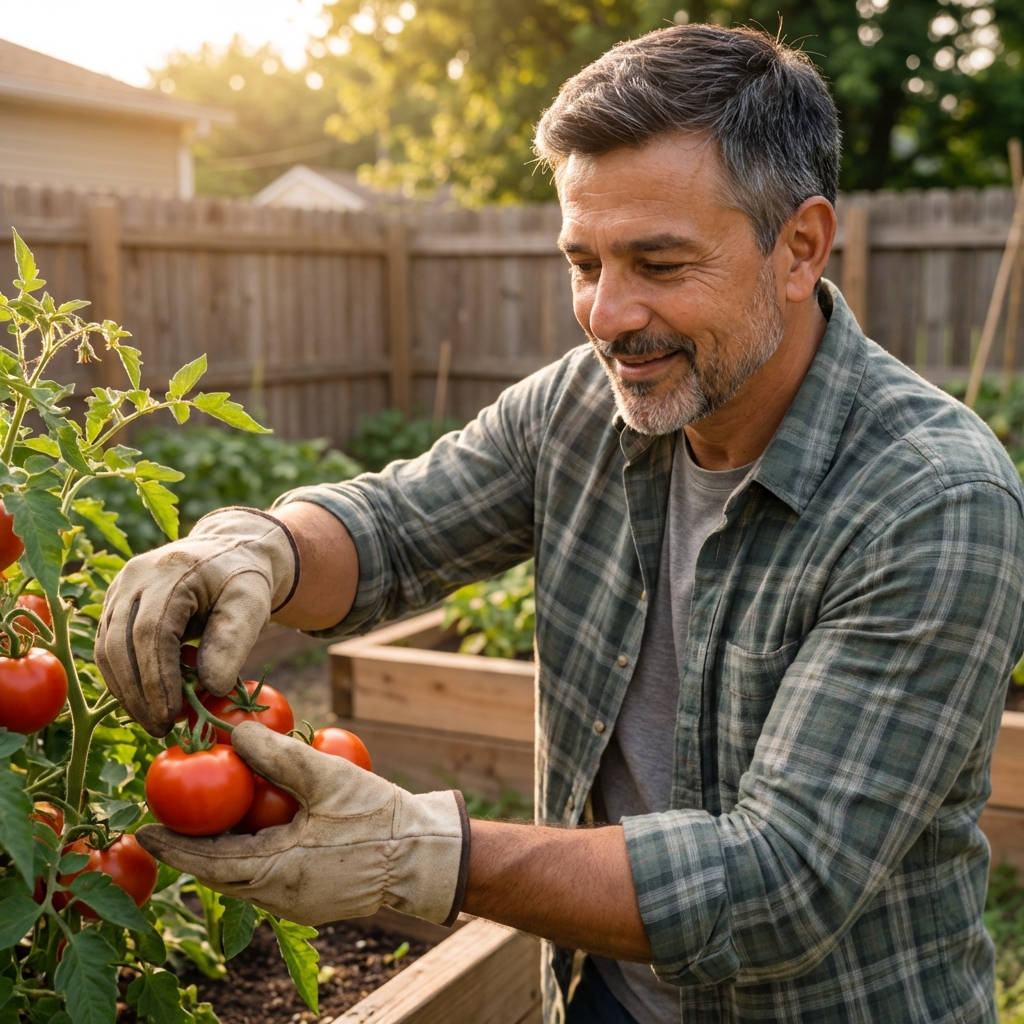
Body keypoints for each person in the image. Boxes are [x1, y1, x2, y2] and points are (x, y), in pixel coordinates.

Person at [95, 24, 1024, 1024]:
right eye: (583, 261)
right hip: (601, 990)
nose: (606, 315)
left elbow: (782, 879)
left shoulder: (932, 499)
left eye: (658, 264)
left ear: (797, 247)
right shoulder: (582, 408)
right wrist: (260, 547)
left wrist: (427, 852)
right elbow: (399, 526)